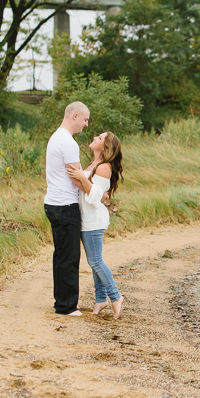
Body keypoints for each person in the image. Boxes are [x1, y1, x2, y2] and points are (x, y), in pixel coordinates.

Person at [67, 132, 125, 318]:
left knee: (95, 261)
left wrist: (82, 178)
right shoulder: (93, 164)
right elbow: (96, 193)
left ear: (105, 147)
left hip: (94, 220)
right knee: (94, 262)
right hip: (87, 219)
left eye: (99, 138)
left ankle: (115, 297)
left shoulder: (104, 167)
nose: (95, 138)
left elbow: (93, 197)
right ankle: (101, 299)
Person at [43, 101, 89, 316]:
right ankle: (66, 306)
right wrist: (95, 193)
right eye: (85, 120)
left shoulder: (56, 137)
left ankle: (62, 302)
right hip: (65, 205)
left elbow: (77, 174)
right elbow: (77, 179)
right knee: (68, 256)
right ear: (75, 116)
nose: (86, 125)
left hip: (54, 202)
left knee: (61, 254)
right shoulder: (68, 143)